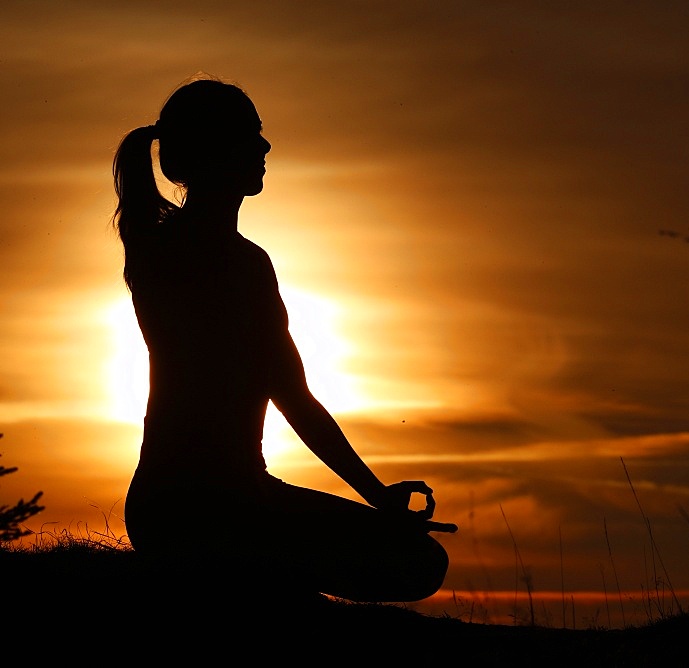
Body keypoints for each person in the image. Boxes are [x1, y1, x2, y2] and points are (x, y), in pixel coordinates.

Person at [112, 76, 454, 604]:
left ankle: (255, 576)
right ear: (217, 150)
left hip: (165, 508)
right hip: (216, 507)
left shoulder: (157, 246)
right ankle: (257, 583)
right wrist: (378, 498)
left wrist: (376, 499)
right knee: (418, 563)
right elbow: (293, 397)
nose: (266, 147)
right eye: (252, 135)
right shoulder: (238, 264)